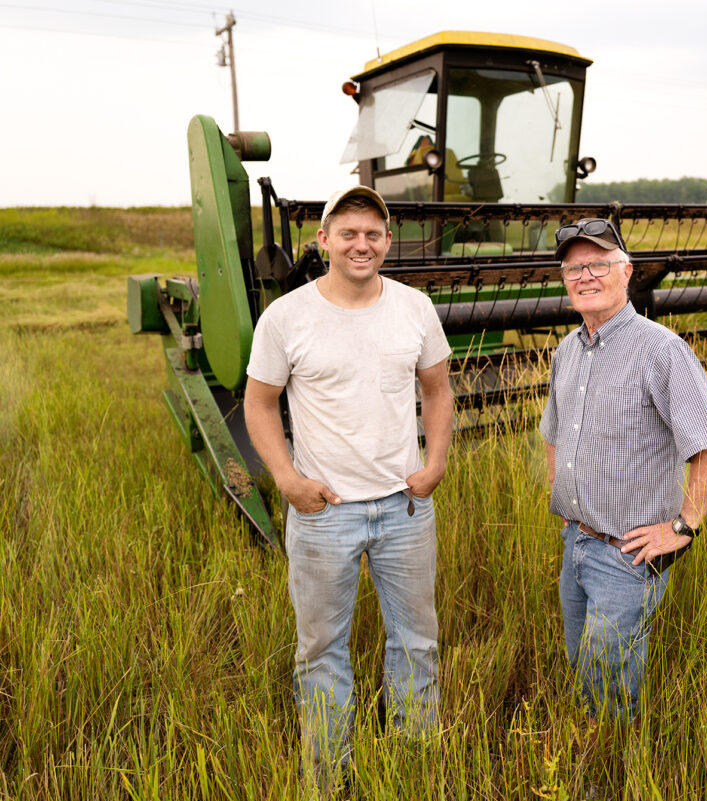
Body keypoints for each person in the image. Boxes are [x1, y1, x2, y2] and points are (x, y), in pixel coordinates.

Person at [243, 186, 453, 784]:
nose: (361, 244)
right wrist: (287, 479)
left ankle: (412, 770)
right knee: (320, 651)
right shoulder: (286, 317)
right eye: (348, 232)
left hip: (403, 511)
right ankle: (327, 776)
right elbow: (260, 404)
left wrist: (434, 464)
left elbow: (437, 390)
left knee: (416, 643)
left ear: (388, 241)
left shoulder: (414, 308)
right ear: (324, 240)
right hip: (323, 513)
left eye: (373, 234)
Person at [540, 218, 707, 719]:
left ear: (626, 271)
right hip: (576, 545)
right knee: (582, 673)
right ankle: (591, 766)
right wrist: (561, 496)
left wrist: (684, 527)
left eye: (598, 264)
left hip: (627, 558)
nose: (585, 276)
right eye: (574, 268)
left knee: (608, 685)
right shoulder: (566, 351)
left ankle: (607, 778)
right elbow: (554, 433)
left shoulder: (661, 350)